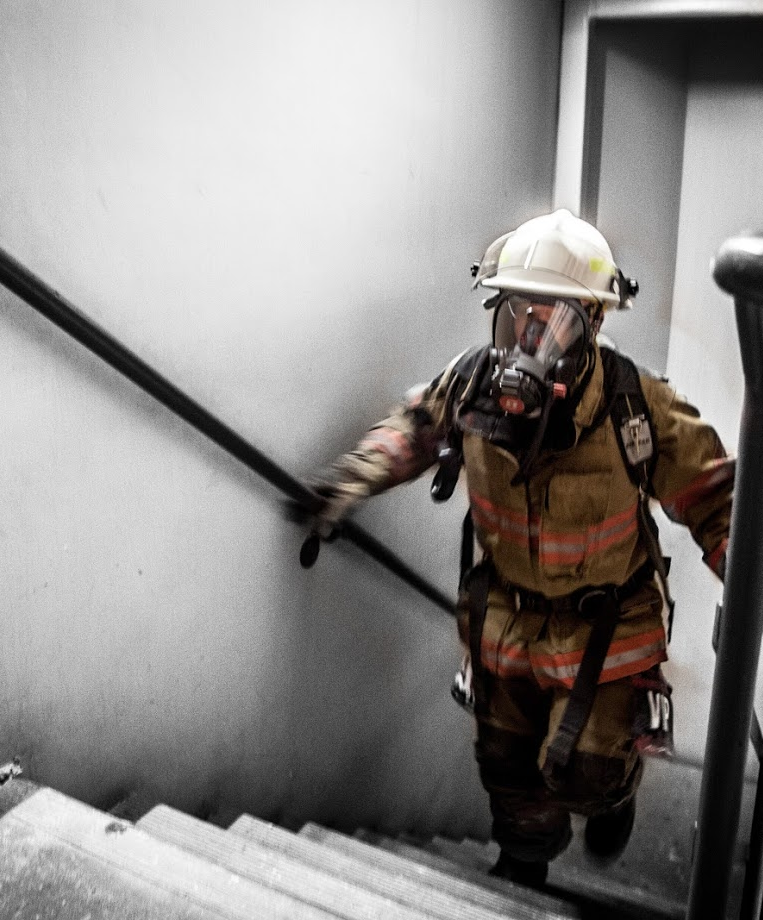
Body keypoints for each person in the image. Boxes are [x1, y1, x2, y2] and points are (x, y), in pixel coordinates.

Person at [310, 209, 733, 888]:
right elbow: (415, 428)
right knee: (506, 768)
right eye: (517, 315)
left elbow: (717, 497)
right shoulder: (472, 383)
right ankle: (521, 871)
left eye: (555, 319)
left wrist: (753, 581)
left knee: (587, 774)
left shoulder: (636, 406)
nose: (531, 338)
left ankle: (614, 795)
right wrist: (349, 480)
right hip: (505, 621)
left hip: (605, 627)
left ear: (593, 324)